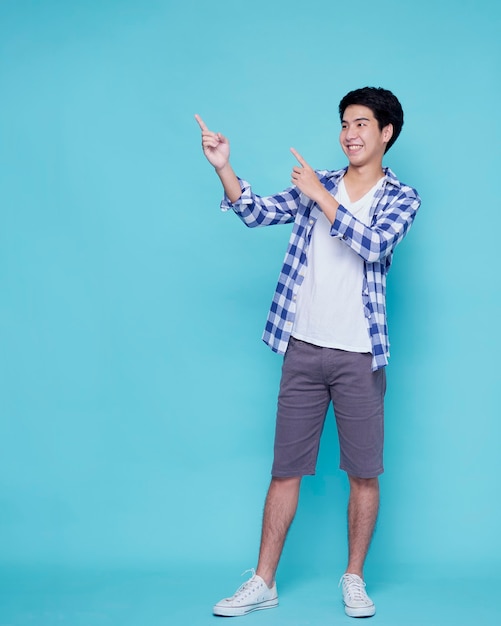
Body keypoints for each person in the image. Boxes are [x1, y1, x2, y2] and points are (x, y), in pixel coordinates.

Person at [195, 86, 421, 619]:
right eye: (345, 123)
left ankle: (354, 577)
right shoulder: (317, 183)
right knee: (284, 470)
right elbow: (254, 212)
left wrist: (324, 198)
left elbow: (372, 246)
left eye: (362, 124)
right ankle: (263, 581)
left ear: (386, 133)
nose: (350, 134)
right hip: (302, 347)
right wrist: (224, 168)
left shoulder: (401, 197)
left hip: (359, 354)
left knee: (364, 472)